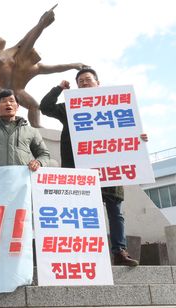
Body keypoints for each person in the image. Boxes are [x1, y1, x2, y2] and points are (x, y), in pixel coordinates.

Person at [40, 67, 147, 266]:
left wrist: (139, 139)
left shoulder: (115, 107)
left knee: (115, 211)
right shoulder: (69, 108)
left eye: (88, 80)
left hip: (109, 169)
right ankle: (87, 254)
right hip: (79, 169)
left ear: (98, 83)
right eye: (80, 82)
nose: (84, 83)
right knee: (83, 211)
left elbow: (128, 132)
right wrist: (59, 88)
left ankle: (119, 252)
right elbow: (45, 107)